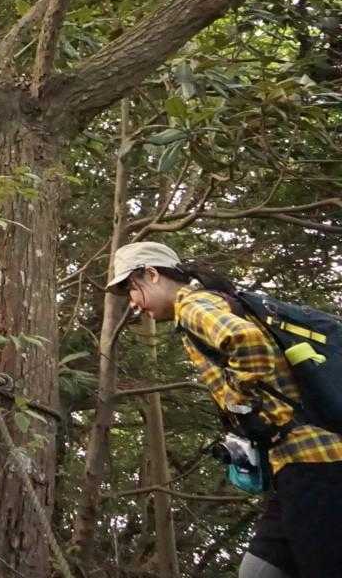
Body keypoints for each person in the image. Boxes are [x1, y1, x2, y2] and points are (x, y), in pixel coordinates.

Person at [109, 241, 342, 578]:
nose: (132, 302)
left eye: (131, 288)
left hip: (315, 463)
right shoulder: (213, 302)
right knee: (258, 571)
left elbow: (245, 339)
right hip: (292, 464)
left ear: (152, 274)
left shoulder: (193, 305)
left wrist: (243, 404)